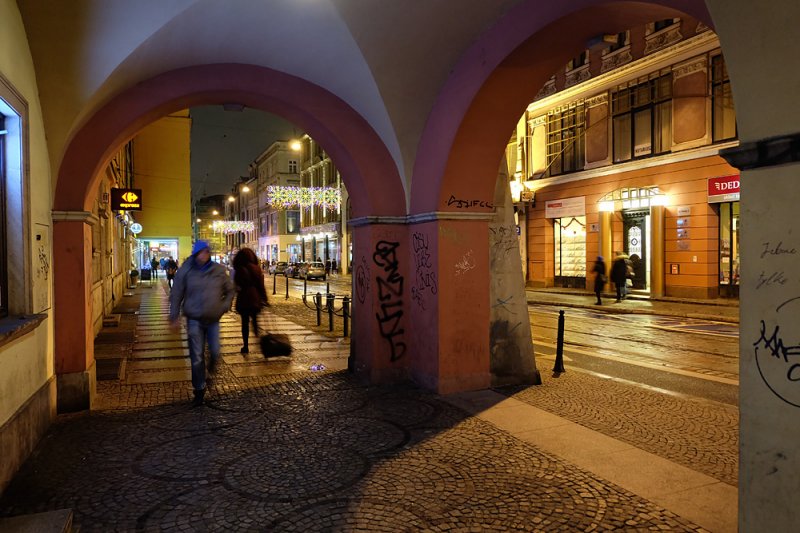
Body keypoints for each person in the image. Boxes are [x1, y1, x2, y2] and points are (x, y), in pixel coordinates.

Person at [169, 240, 235, 406]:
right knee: (197, 356)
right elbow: (177, 293)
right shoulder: (186, 270)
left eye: (207, 252)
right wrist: (174, 316)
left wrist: (224, 306)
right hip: (194, 319)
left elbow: (230, 290)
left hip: (213, 318)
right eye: (201, 252)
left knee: (215, 351)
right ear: (195, 254)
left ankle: (211, 368)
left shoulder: (218, 270)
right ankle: (199, 389)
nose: (204, 255)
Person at [232, 247, 268, 355]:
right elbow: (261, 286)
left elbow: (236, 286)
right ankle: (259, 341)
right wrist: (264, 298)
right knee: (255, 320)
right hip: (255, 298)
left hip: (243, 299)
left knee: (244, 323)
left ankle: (246, 346)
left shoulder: (239, 270)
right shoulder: (257, 269)